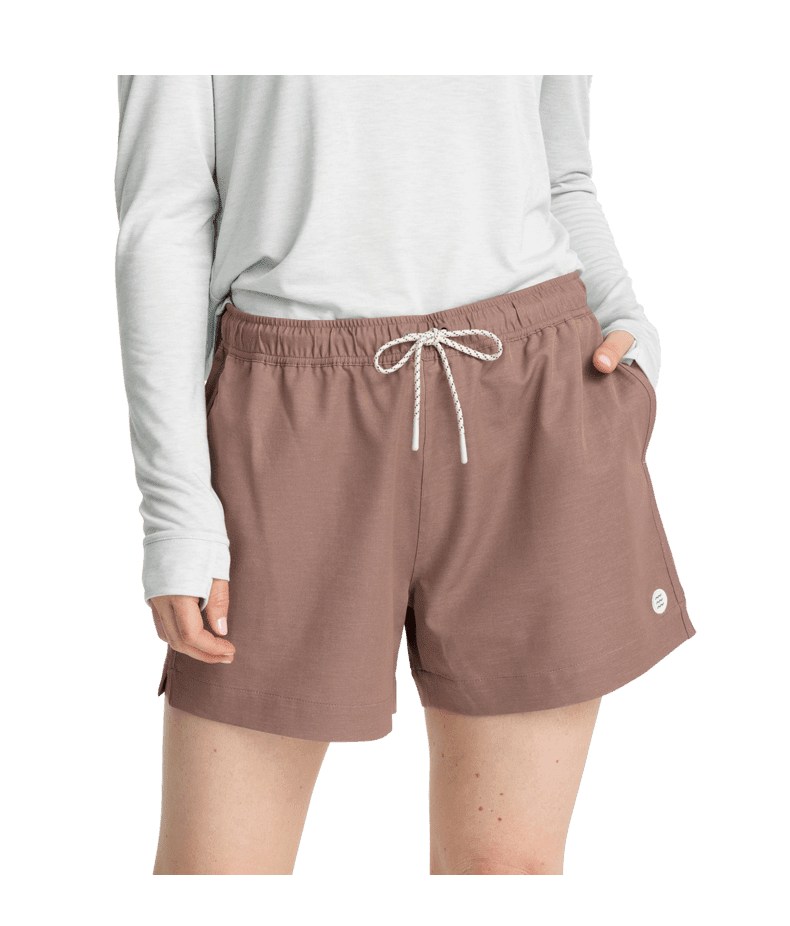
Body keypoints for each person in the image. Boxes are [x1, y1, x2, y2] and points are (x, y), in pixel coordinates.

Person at [114, 75, 697, 875]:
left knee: (510, 871)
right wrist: (177, 507)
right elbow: (166, 210)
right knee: (218, 872)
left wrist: (628, 320)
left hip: (532, 390)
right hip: (291, 409)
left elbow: (561, 169)